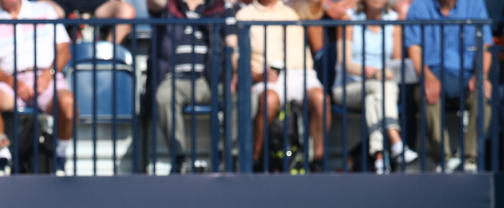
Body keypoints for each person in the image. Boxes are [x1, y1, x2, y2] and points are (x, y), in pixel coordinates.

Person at [0, 0, 76, 175]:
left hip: (48, 78)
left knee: (68, 105)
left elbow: (64, 50)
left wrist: (48, 74)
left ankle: (60, 154)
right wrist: (13, 83)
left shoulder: (45, 11)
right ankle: (2, 155)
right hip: (11, 83)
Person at [237, 0, 330, 171]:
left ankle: (317, 161)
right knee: (269, 101)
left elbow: (318, 7)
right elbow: (238, 58)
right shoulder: (244, 15)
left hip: (302, 74)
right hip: (267, 76)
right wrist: (258, 75)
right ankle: (255, 159)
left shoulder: (294, 9)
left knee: (321, 99)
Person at [148, 0, 237, 174]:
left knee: (245, 99)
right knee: (163, 96)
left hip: (212, 80)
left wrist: (235, 76)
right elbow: (153, 3)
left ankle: (225, 158)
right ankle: (179, 158)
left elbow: (232, 46)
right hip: (177, 79)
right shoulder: (170, 6)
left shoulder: (220, 7)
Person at [404, 0, 492, 172]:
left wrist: (481, 76)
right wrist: (427, 77)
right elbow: (414, 48)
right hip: (433, 73)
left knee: (484, 94)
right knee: (426, 94)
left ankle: (469, 159)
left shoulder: (475, 5)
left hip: (466, 75)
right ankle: (443, 159)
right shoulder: (419, 6)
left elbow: (485, 46)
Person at [331, 0, 419, 172]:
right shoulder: (348, 19)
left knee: (374, 97)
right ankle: (395, 140)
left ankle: (379, 156)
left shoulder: (394, 22)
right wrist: (373, 73)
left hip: (382, 89)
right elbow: (344, 62)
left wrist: (385, 74)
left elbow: (397, 63)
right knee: (382, 87)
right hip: (349, 88)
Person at [41, 0, 137, 45]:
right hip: (61, 4)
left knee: (126, 10)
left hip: (99, 5)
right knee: (39, 8)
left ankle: (108, 55)